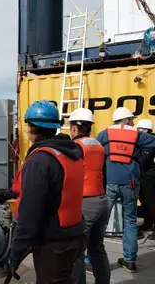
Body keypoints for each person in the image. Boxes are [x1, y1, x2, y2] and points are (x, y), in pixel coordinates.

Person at [9, 100, 85, 283]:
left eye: (28, 126)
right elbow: (56, 190)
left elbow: (30, 213)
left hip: (53, 243)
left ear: (32, 128)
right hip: (74, 235)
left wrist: (16, 251)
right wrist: (10, 193)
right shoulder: (70, 152)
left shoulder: (41, 160)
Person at [96, 107, 155, 272]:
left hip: (110, 183)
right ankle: (130, 261)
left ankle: (90, 260)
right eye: (132, 119)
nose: (133, 123)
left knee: (101, 221)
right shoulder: (137, 135)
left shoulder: (104, 134)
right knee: (130, 222)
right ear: (127, 120)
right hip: (131, 184)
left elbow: (94, 148)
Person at [68, 108, 110, 284]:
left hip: (86, 203)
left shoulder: (76, 147)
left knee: (77, 252)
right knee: (97, 248)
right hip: (102, 201)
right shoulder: (99, 145)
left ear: (75, 128)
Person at [135, 119, 155, 233]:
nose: (137, 132)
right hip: (145, 175)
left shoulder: (150, 143)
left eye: (139, 129)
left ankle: (151, 225)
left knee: (150, 201)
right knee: (145, 200)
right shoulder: (144, 143)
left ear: (146, 130)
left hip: (149, 176)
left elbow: (144, 161)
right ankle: (148, 223)